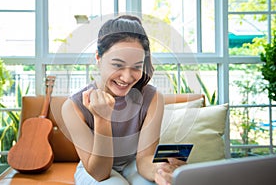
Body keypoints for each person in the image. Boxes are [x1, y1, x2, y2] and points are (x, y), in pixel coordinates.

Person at [61, 15, 186, 185]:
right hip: (93, 169)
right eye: (118, 65)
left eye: (136, 67)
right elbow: (100, 173)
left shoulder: (153, 98)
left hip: (133, 164)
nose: (127, 78)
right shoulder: (72, 107)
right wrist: (102, 119)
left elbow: (143, 160)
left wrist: (160, 169)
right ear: (98, 57)